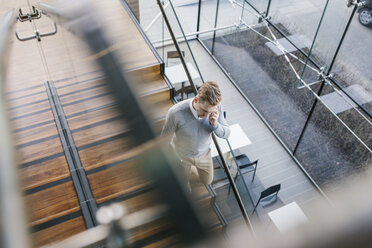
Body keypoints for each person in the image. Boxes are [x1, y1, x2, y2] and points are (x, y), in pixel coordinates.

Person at [161, 81, 231, 186]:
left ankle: (192, 169)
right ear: (195, 100)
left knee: (207, 181)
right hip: (182, 156)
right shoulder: (175, 112)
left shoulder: (216, 107)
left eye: (210, 112)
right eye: (204, 111)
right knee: (183, 185)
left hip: (204, 154)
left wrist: (215, 124)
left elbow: (226, 133)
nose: (207, 115)